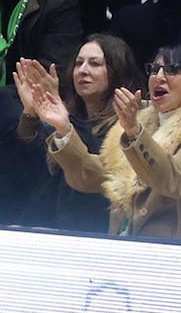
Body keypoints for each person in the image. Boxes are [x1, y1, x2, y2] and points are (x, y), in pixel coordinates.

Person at [31, 45, 181, 242]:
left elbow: (174, 179)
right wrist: (63, 128)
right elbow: (91, 176)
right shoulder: (137, 125)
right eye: (154, 70)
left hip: (180, 251)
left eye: (171, 70)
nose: (159, 77)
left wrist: (135, 133)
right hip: (126, 245)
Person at [9, 35, 143, 232]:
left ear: (118, 71)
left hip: (95, 236)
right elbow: (31, 170)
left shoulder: (131, 125)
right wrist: (31, 114)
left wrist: (62, 123)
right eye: (79, 63)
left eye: (95, 64)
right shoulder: (68, 117)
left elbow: (92, 172)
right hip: (45, 231)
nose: (83, 70)